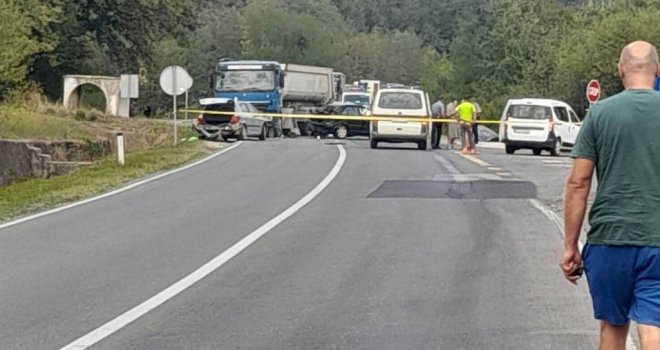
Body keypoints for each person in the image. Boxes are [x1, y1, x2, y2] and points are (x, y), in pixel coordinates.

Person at [561, 41, 660, 350]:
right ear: (657, 70)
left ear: (620, 71)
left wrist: (569, 247)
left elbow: (579, 182)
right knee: (654, 324)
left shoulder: (600, 113)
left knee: (613, 329)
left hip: (609, 240)